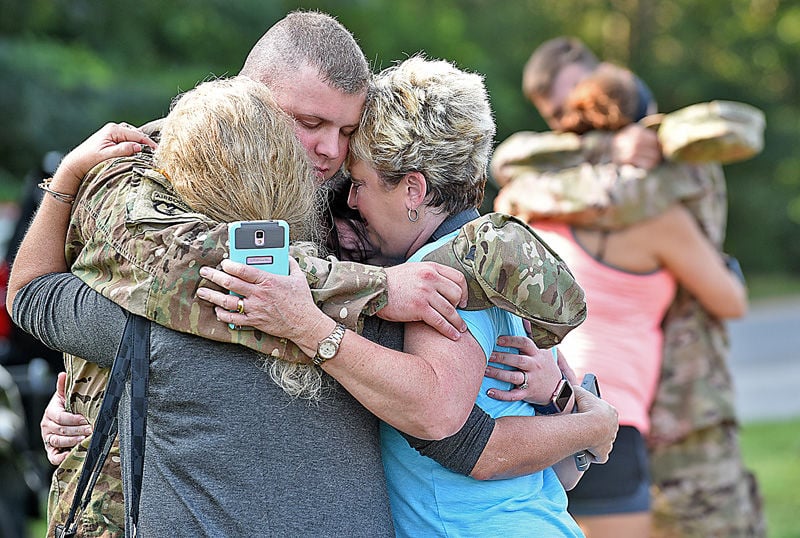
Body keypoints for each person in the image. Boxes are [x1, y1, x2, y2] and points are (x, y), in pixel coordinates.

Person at [27, 11, 475, 536]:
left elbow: (38, 296)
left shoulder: (362, 202)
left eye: (347, 130)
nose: (330, 149)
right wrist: (85, 393)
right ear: (250, 97)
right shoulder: (157, 166)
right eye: (310, 124)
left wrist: (561, 396)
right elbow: (181, 264)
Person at [196, 55, 618, 537]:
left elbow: (440, 417)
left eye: (360, 184)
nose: (352, 201)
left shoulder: (439, 276)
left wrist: (306, 325)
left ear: (413, 190)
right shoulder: (501, 264)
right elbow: (560, 465)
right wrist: (585, 422)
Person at [491, 36, 766, 537]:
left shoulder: (533, 200)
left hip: (538, 403)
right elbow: (731, 301)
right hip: (610, 416)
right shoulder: (661, 215)